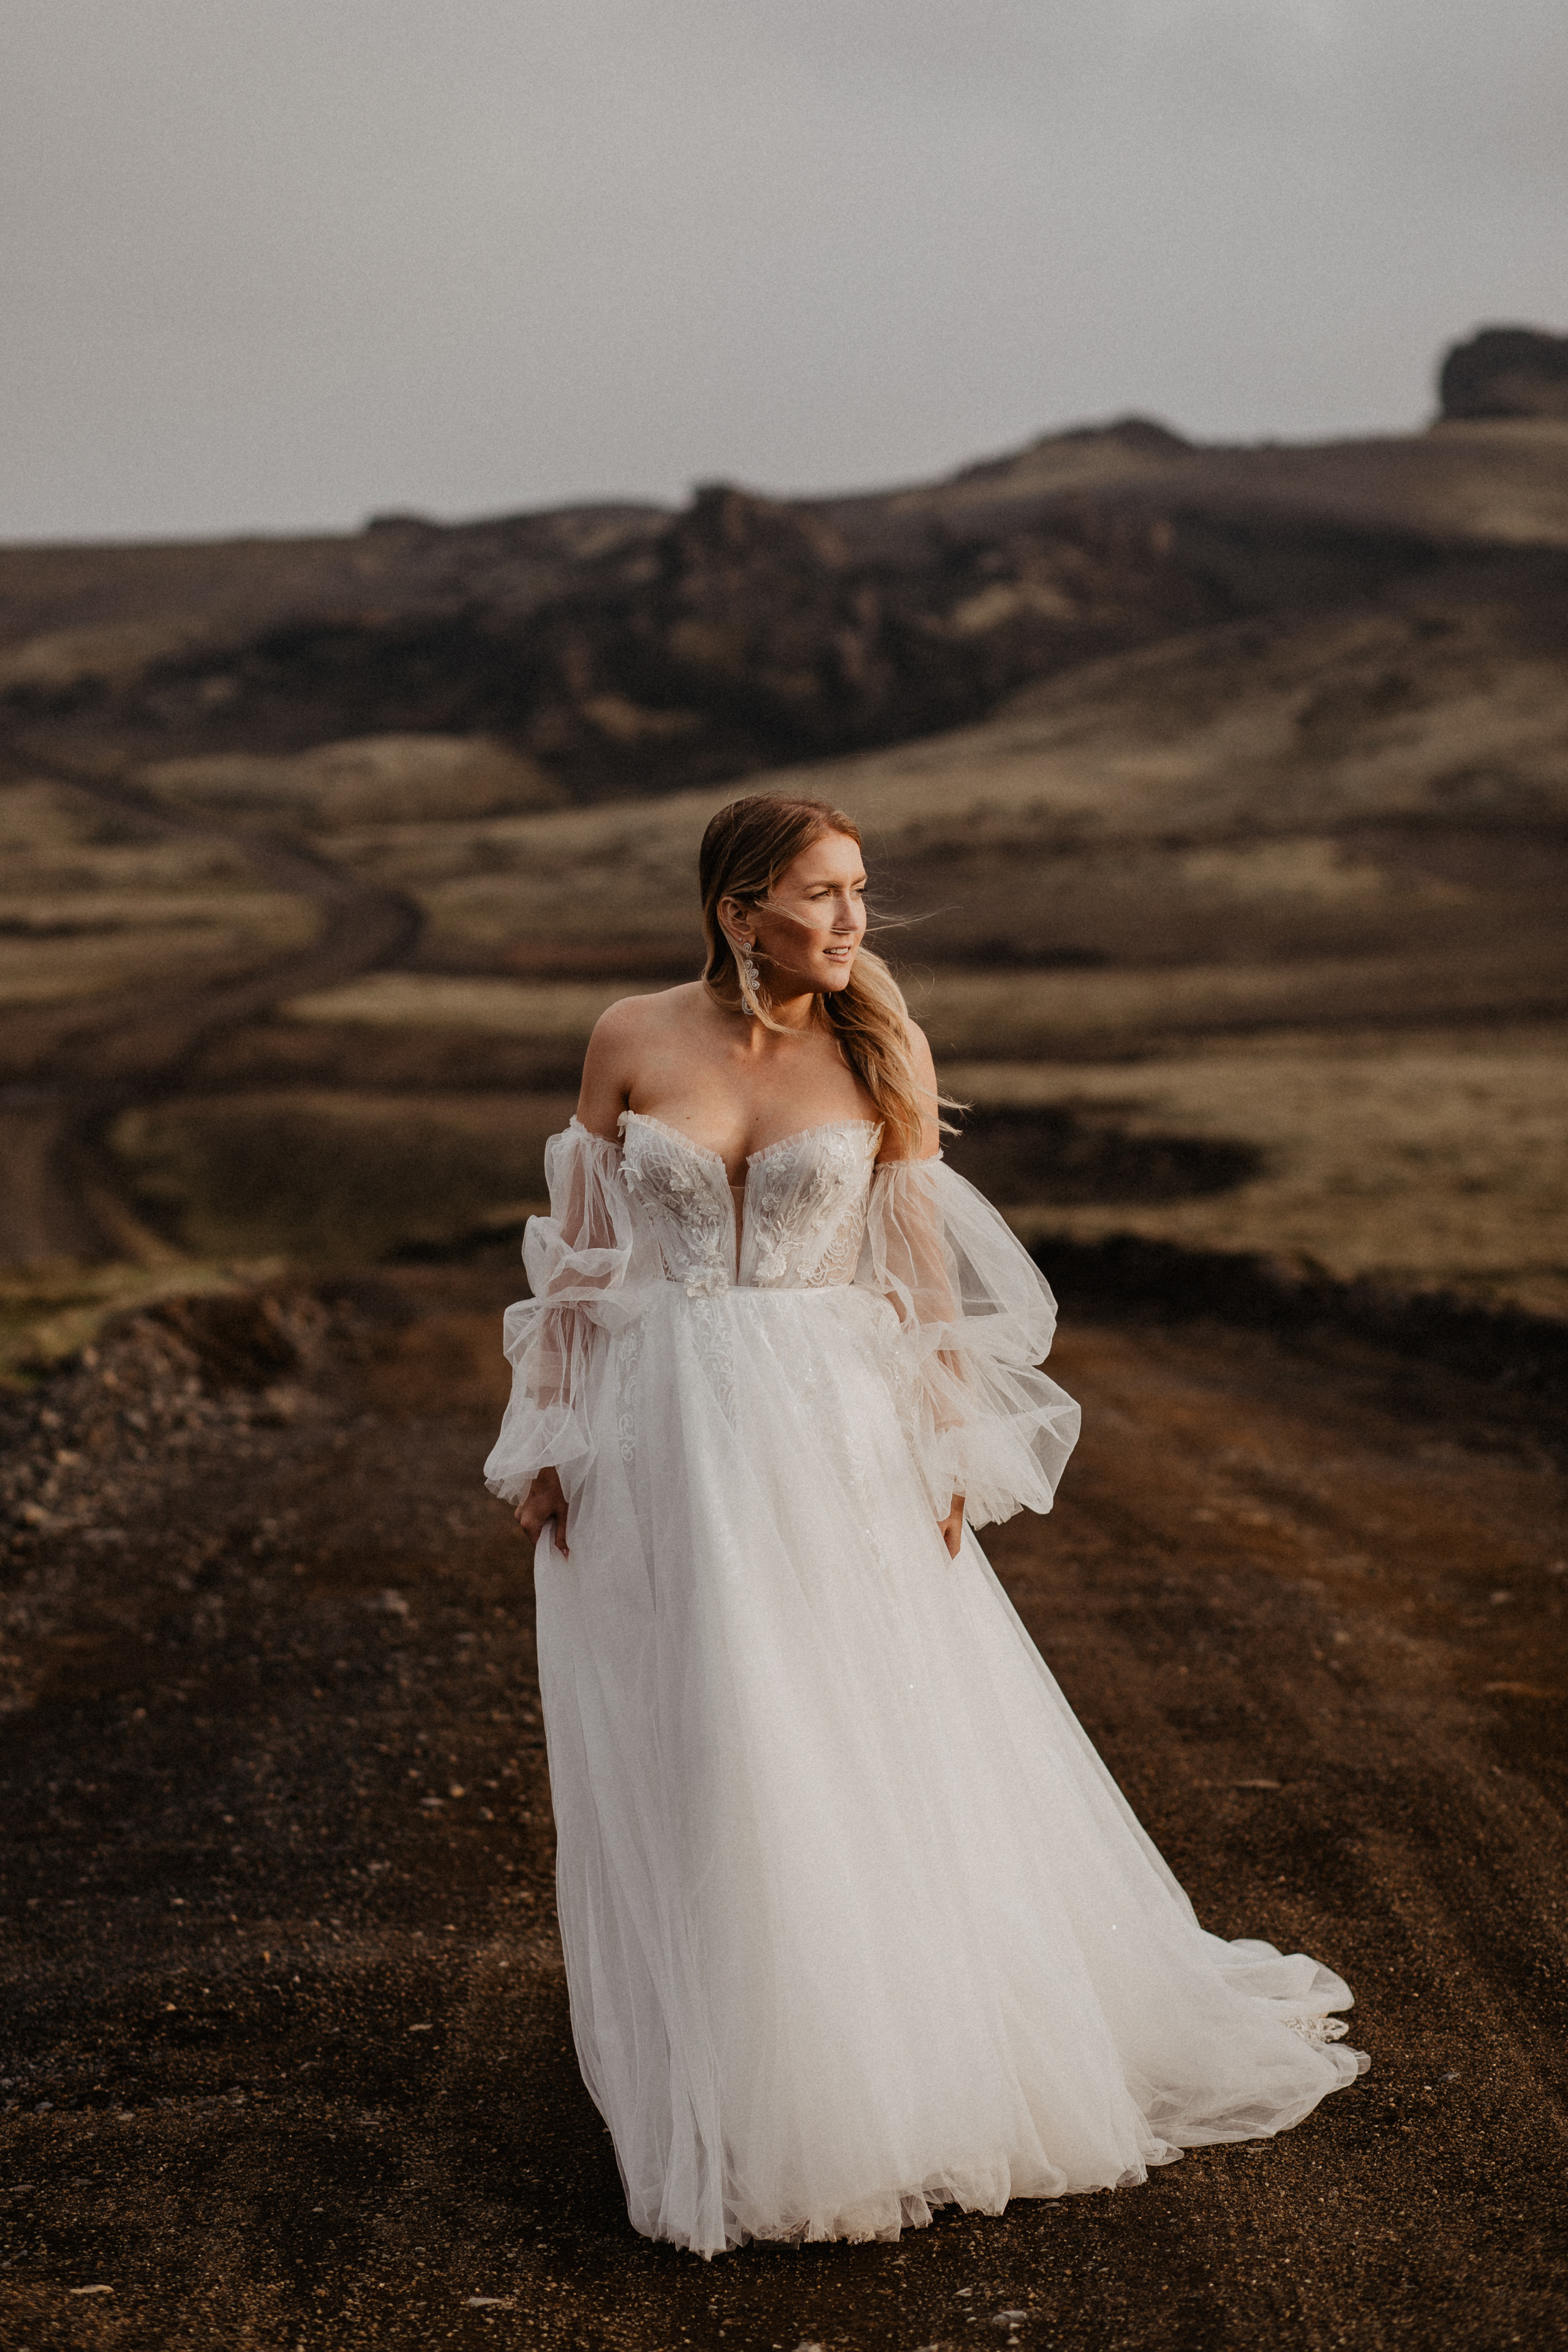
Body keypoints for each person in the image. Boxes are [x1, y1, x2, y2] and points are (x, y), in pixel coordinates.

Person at [484, 791, 1366, 2258]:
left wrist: (944, 1440)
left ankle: (868, 2068)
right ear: (736, 910)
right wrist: (548, 1434)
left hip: (829, 1434)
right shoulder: (627, 1038)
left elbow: (918, 1275)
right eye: (823, 895)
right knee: (704, 1730)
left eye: (859, 893)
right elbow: (577, 1265)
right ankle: (722, 2054)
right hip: (658, 1439)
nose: (851, 922)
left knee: (848, 1729)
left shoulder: (873, 1048)